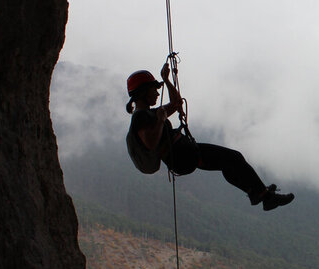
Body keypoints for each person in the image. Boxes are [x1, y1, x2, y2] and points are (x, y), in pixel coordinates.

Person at [125, 64, 294, 211]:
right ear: (143, 92)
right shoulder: (140, 117)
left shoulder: (151, 113)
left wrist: (167, 80)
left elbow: (176, 103)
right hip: (183, 156)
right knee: (233, 158)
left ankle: (257, 193)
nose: (157, 93)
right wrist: (161, 120)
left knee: (229, 162)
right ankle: (263, 196)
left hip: (185, 154)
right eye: (154, 89)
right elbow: (150, 142)